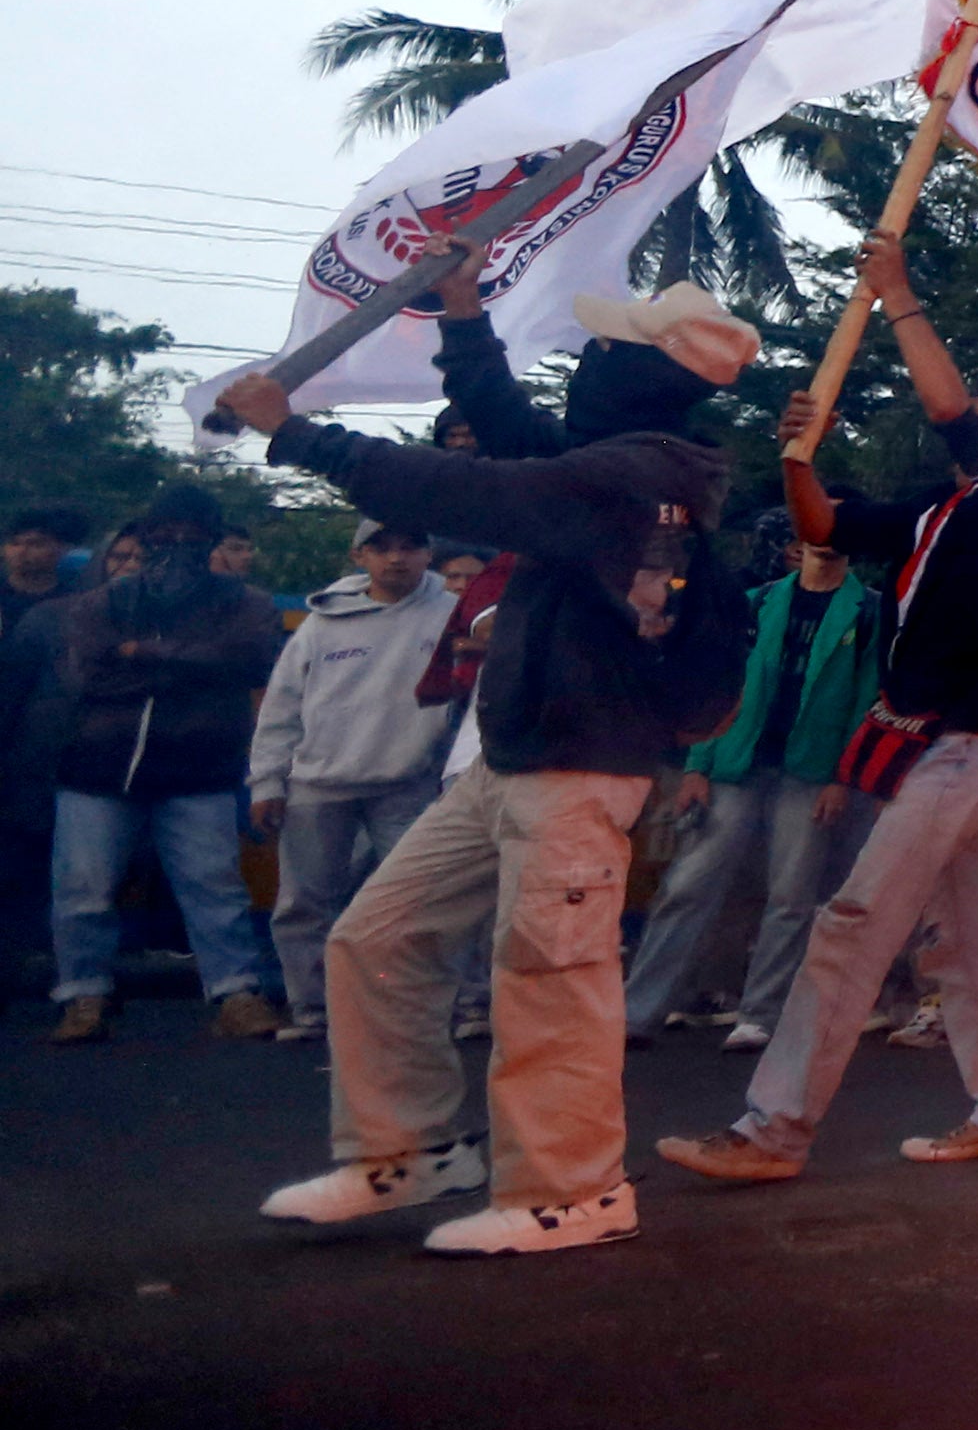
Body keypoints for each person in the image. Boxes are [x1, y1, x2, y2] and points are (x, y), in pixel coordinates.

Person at [224, 275, 756, 1253]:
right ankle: (406, 1150)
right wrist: (464, 318)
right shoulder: (621, 465)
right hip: (516, 759)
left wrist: (297, 435)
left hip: (577, 765)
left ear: (638, 377)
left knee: (551, 977)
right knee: (375, 938)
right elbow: (509, 432)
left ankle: (576, 1191)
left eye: (606, 350)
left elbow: (471, 485)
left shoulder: (635, 480)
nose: (586, 361)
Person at [658, 267, 978, 1182]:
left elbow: (947, 415)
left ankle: (772, 1130)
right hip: (938, 746)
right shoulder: (941, 512)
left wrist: (897, 294)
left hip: (970, 743)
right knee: (963, 943)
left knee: (852, 922)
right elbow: (823, 521)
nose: (970, 407)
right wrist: (796, 454)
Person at [43, 481, 290, 1042]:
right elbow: (84, 677)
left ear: (211, 538)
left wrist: (145, 654)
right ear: (146, 533)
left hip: (197, 769)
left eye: (193, 532)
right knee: (83, 890)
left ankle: (236, 994)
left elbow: (252, 663)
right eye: (164, 531)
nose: (177, 541)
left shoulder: (244, 603)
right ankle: (82, 996)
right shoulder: (102, 602)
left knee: (215, 886)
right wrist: (196, 669)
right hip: (99, 768)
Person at [620, 527, 886, 1047]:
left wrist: (843, 777)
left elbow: (865, 698)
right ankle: (638, 1010)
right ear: (797, 542)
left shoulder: (869, 610)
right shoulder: (757, 601)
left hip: (811, 766)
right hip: (735, 759)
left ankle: (760, 1013)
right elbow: (716, 684)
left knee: (791, 895)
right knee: (688, 886)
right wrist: (697, 764)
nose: (825, 539)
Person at [247, 520, 463, 1044]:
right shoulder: (321, 624)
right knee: (304, 903)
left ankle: (414, 1008)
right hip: (318, 783)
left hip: (409, 783)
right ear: (358, 555)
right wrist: (267, 783)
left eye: (411, 543)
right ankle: (313, 1008)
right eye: (381, 547)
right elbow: (281, 708)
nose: (397, 558)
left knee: (420, 902)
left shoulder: (453, 616)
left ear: (428, 552)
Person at [0, 500, 99, 981]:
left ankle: (39, 952)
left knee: (42, 854)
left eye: (35, 542)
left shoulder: (76, 608)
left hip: (52, 750)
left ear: (59, 550)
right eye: (15, 541)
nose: (22, 552)